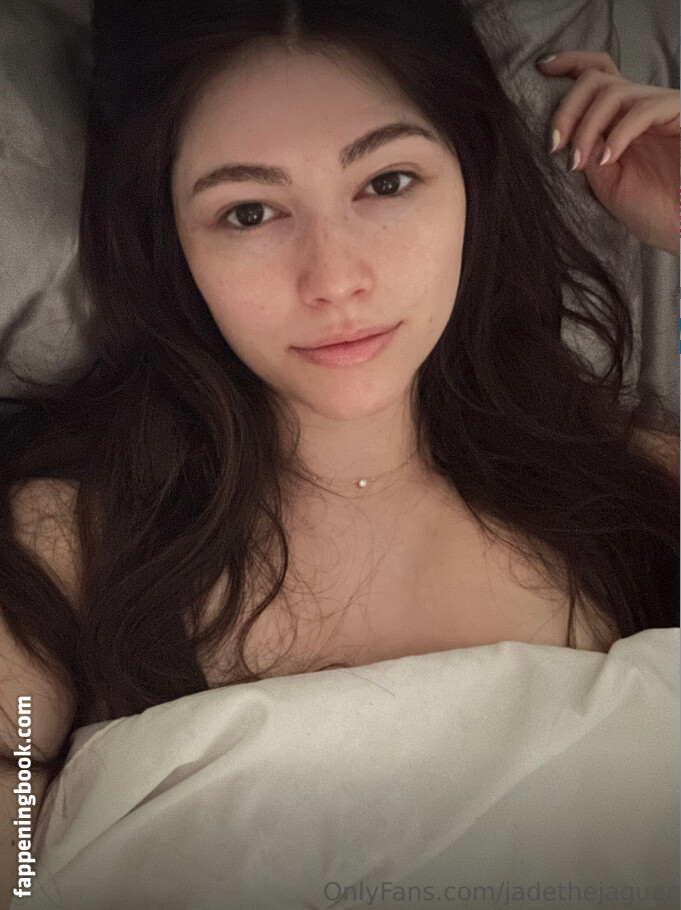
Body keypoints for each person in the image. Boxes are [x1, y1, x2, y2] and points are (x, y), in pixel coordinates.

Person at [0, 0, 678, 903]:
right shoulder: (70, 544)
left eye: (387, 183)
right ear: (170, 241)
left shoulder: (638, 493)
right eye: (248, 211)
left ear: (472, 182)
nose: (334, 279)